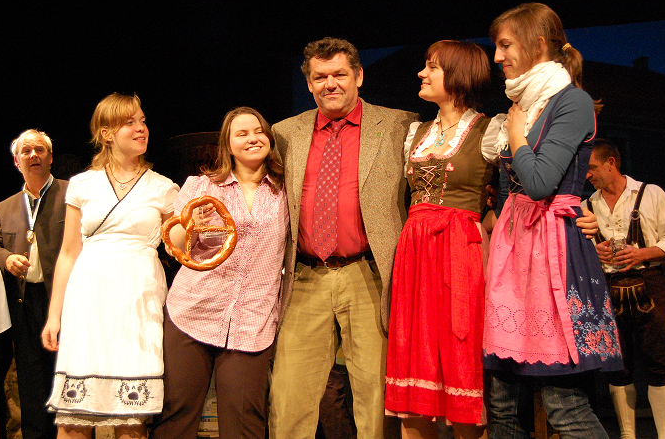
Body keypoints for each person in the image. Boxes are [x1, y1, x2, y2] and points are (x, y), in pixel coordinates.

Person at [482, 3, 623, 439]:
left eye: (505, 45)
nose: (497, 57)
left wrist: (517, 134)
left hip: (552, 255)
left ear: (538, 44)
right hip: (515, 254)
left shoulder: (571, 101)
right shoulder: (523, 105)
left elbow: (541, 183)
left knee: (563, 405)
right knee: (503, 403)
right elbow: (510, 190)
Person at [268, 36, 419, 439]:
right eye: (320, 77)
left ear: (359, 76)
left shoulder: (400, 125)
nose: (330, 84)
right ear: (309, 83)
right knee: (289, 398)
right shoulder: (285, 133)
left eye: (339, 74)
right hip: (305, 277)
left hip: (369, 274)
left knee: (375, 397)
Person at [385, 40, 505, 439]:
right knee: (413, 348)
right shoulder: (415, 132)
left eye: (432, 67)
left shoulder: (490, 130)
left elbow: (520, 188)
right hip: (415, 250)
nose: (422, 73)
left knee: (460, 347)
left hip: (460, 249)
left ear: (457, 76)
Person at [41, 93, 179, 439]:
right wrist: (55, 315)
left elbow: (178, 244)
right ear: (106, 134)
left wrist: (195, 225)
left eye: (143, 121)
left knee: (131, 418)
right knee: (74, 416)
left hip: (138, 297)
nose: (141, 128)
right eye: (129, 122)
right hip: (89, 297)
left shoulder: (163, 187)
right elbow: (68, 253)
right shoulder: (82, 184)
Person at [151, 107, 288, 439]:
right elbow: (173, 244)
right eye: (241, 133)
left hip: (252, 321)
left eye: (258, 131)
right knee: (178, 414)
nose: (252, 138)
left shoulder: (286, 190)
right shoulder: (201, 186)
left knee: (244, 422)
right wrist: (189, 226)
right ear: (227, 145)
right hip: (193, 312)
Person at [583, 139, 665, 439]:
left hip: (649, 283)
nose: (588, 175)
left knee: (659, 361)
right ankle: (628, 435)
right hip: (608, 287)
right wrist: (594, 253)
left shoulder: (651, 194)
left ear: (611, 163)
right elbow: (579, 254)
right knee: (618, 364)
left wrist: (642, 253)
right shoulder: (587, 207)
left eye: (592, 168)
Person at [0, 129, 68, 439]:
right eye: (27, 151)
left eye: (40, 150)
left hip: (63, 300)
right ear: (16, 161)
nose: (34, 155)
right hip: (24, 303)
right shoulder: (6, 207)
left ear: (50, 158)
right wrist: (6, 258)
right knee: (31, 382)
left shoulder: (71, 195)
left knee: (66, 379)